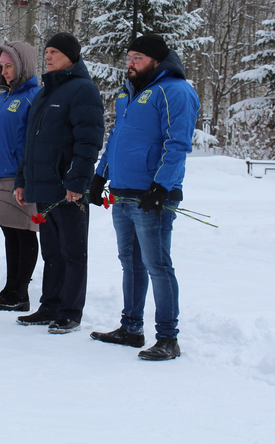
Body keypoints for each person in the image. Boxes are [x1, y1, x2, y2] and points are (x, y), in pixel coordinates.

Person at [88, 34, 200, 361]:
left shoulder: (176, 91)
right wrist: (100, 175)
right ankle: (131, 328)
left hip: (152, 197)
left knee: (157, 264)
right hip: (122, 193)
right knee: (131, 264)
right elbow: (116, 138)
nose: (130, 63)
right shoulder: (129, 92)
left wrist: (162, 186)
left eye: (137, 57)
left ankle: (167, 337)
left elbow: (177, 143)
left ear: (155, 60)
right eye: (128, 57)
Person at [13, 32, 104, 334]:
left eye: (54, 52)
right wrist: (23, 179)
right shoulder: (44, 93)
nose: (47, 56)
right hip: (43, 186)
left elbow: (88, 141)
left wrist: (78, 180)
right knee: (51, 250)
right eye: (47, 51)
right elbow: (30, 143)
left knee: (73, 251)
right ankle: (49, 305)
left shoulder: (83, 91)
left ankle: (70, 312)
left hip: (68, 188)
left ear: (71, 56)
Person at [0, 41, 42, 311]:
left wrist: (26, 175)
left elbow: (33, 140)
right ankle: (10, 287)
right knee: (9, 233)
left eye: (9, 66)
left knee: (24, 233)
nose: (4, 71)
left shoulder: (34, 96)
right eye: (1, 66)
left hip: (18, 176)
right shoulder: (2, 98)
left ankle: (20, 292)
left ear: (22, 65)